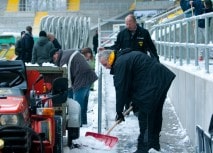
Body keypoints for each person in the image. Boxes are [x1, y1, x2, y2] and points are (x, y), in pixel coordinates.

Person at [98, 49, 176, 153]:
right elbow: (133, 82)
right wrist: (133, 102)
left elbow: (121, 88)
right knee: (155, 114)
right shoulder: (122, 58)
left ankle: (143, 149)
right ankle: (154, 146)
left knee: (146, 118)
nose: (106, 68)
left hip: (153, 84)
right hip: (161, 80)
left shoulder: (120, 63)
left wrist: (119, 111)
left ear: (109, 59)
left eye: (104, 64)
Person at [50, 48, 98, 127]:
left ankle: (77, 124)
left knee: (76, 104)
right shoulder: (66, 52)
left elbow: (67, 78)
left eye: (54, 58)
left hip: (81, 79)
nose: (54, 60)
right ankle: (83, 121)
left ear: (56, 53)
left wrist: (66, 91)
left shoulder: (63, 59)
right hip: (88, 76)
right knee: (83, 102)